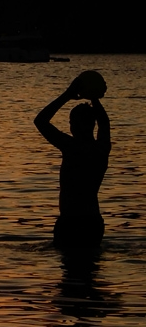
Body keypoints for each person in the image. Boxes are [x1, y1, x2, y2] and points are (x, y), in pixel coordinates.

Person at [34, 73, 111, 249]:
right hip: (93, 222)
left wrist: (67, 95)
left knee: (71, 272)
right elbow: (104, 123)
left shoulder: (71, 147)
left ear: (73, 125)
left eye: (72, 122)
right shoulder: (101, 149)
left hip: (70, 221)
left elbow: (40, 121)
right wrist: (94, 98)